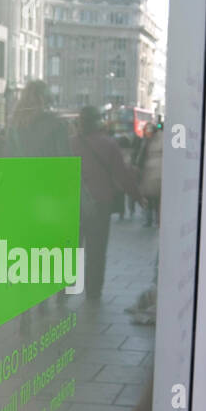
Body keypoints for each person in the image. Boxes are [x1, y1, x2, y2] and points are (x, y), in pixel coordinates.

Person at [74, 106, 142, 300]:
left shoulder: (70, 144)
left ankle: (64, 289)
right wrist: (137, 196)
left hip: (74, 203)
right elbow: (122, 175)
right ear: (98, 122)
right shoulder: (108, 144)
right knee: (97, 249)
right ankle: (93, 291)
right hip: (100, 203)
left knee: (73, 247)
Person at [5, 80, 73, 160]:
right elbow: (65, 158)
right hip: (49, 171)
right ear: (47, 99)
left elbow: (9, 156)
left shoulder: (14, 124)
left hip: (23, 171)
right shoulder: (56, 123)